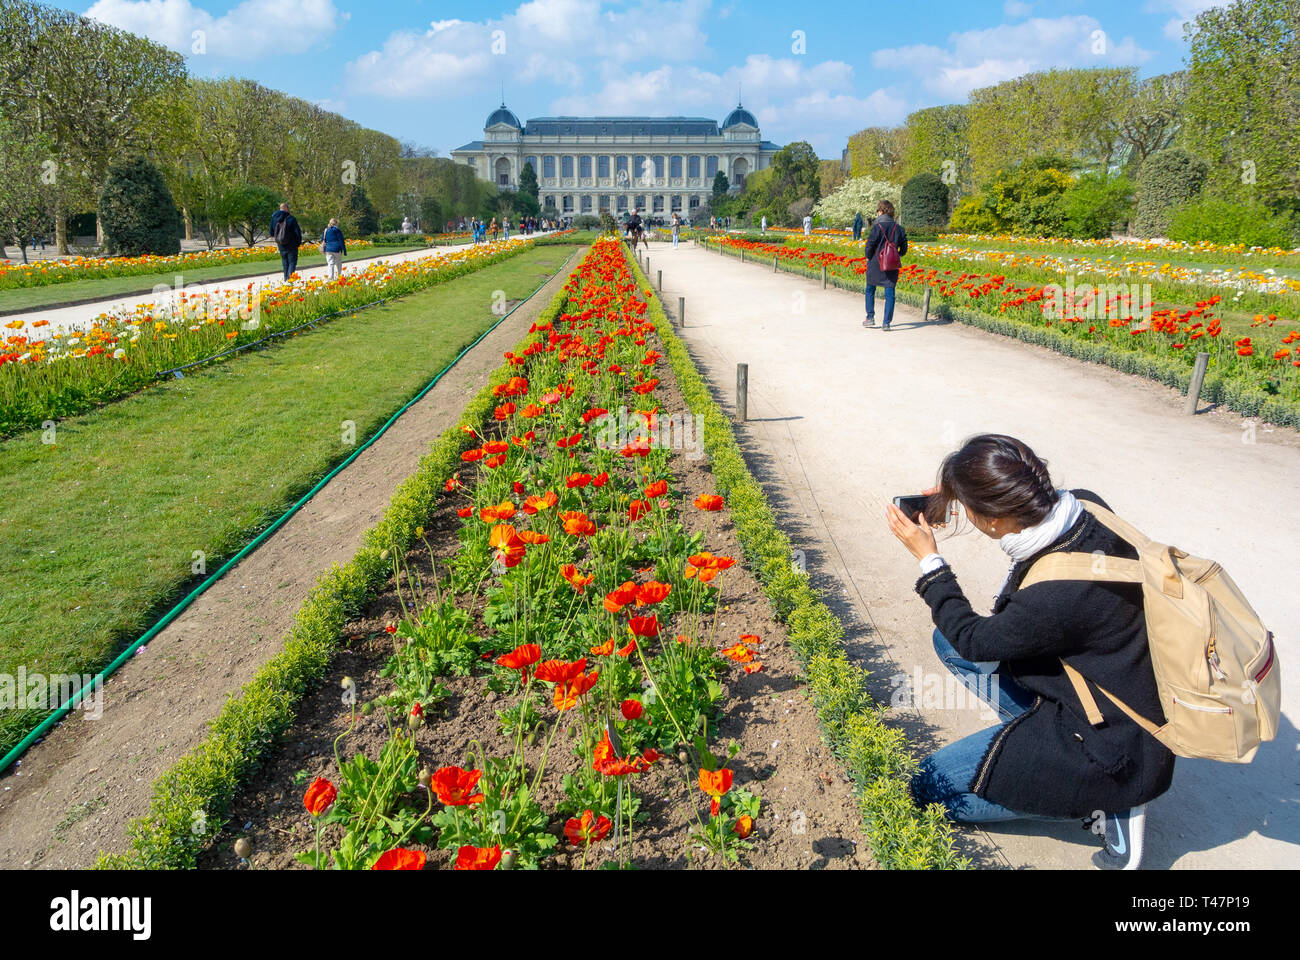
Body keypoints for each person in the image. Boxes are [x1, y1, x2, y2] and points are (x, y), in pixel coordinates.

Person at [885, 434, 1175, 870]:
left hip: (1108, 736)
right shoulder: (1084, 505)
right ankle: (1046, 752)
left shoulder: (1053, 600)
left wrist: (930, 561)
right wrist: (955, 493)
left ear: (997, 518)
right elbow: (974, 637)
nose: (965, 514)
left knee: (931, 788)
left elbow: (975, 640)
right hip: (1110, 681)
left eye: (968, 508)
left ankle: (1106, 795)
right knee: (948, 640)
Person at [862, 199, 908, 330]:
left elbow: (869, 245)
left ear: (881, 211)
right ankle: (886, 323)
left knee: (870, 289)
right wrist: (896, 255)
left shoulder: (877, 227)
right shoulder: (899, 228)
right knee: (890, 292)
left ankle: (870, 318)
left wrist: (869, 257)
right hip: (891, 264)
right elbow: (904, 248)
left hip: (876, 262)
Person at [269, 203, 303, 281]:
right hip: (292, 244)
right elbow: (297, 232)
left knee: (285, 262)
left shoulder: (274, 218)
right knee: (292, 262)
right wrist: (298, 242)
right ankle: (290, 280)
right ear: (287, 208)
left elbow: (271, 232)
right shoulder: (291, 219)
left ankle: (285, 279)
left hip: (281, 244)